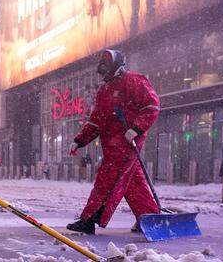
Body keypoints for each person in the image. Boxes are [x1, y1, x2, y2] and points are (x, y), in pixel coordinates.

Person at [67, 49, 161, 234]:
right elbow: (96, 121)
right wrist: (80, 140)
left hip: (126, 143)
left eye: (106, 67)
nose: (103, 72)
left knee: (108, 178)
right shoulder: (104, 90)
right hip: (111, 144)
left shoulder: (134, 81)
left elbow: (152, 106)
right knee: (133, 183)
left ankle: (89, 219)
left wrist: (136, 129)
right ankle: (150, 218)